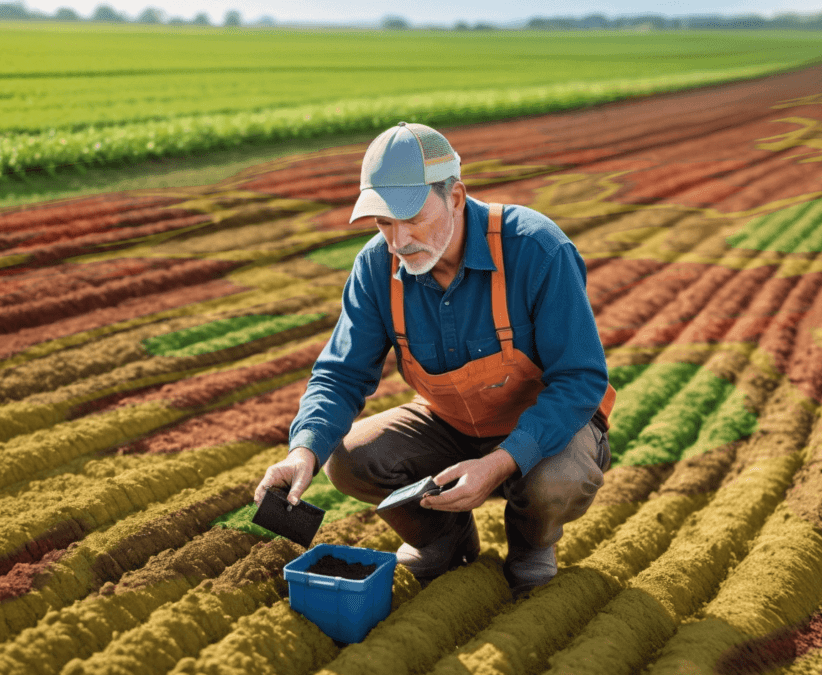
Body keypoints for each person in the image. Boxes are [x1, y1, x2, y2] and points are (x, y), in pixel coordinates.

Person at [254, 121, 615, 596]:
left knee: (555, 479)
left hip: (548, 432)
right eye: (384, 223)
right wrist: (303, 450)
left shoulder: (536, 249)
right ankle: (444, 539)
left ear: (457, 198)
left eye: (412, 218)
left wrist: (504, 461)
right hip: (452, 427)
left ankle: (530, 546)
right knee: (346, 457)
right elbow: (340, 375)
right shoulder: (376, 267)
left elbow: (580, 378)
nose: (399, 240)